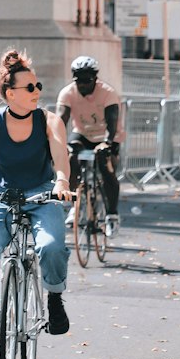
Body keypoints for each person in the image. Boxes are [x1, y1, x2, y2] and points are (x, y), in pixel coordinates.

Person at [0, 48, 72, 349]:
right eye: (30, 87)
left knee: (52, 246)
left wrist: (61, 181)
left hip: (43, 195)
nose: (37, 92)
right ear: (10, 94)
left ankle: (55, 300)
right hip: (1, 197)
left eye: (38, 86)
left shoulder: (49, 121)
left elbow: (60, 157)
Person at [56, 55, 122, 236]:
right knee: (71, 158)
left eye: (87, 80)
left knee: (106, 167)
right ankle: (75, 203)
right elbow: (61, 120)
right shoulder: (68, 93)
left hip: (107, 135)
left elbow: (112, 122)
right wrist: (57, 142)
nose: (83, 85)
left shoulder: (108, 93)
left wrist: (107, 144)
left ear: (95, 78)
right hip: (83, 134)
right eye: (78, 80)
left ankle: (112, 215)